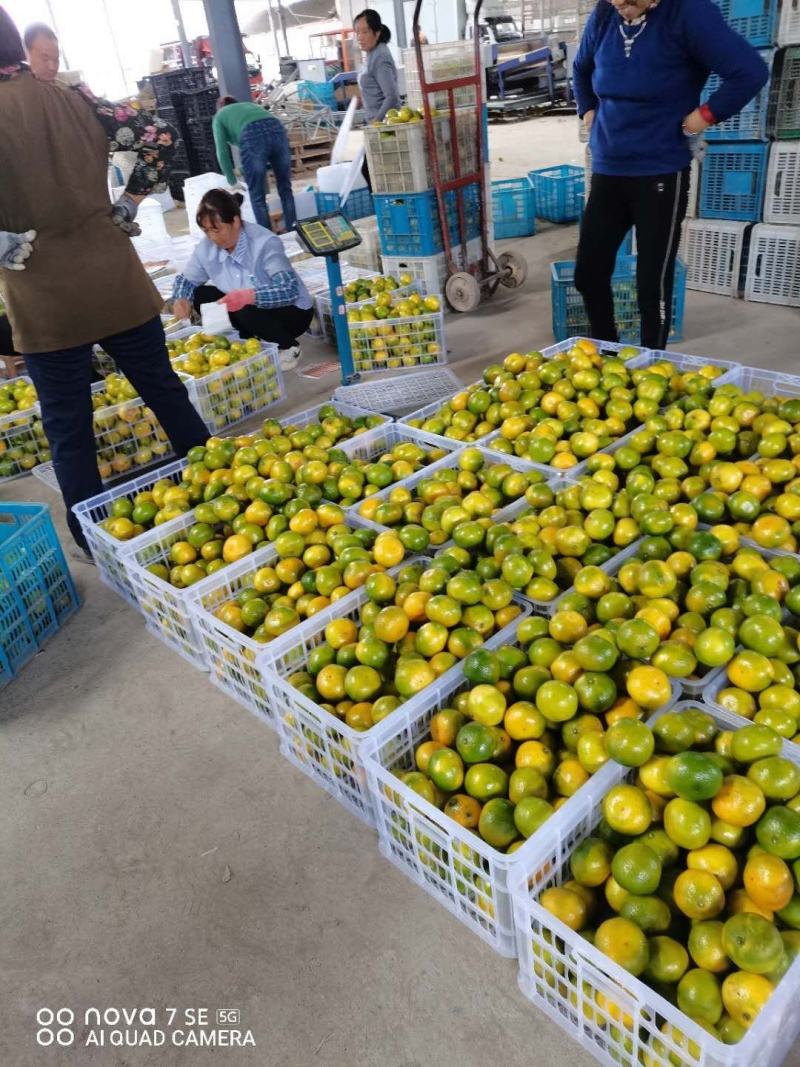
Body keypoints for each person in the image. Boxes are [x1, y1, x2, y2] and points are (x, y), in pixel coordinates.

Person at [0, 7, 209, 558]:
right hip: (115, 279)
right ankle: (217, 486)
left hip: (46, 301)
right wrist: (131, 199)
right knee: (165, 390)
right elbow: (158, 134)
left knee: (70, 429)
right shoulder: (77, 97)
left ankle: (94, 542)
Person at [572, 0, 769, 349]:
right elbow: (581, 68)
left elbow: (749, 71)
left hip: (659, 172)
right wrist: (588, 111)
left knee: (652, 286)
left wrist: (704, 116)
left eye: (629, 0)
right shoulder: (605, 13)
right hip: (609, 167)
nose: (620, 5)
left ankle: (653, 365)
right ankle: (607, 353)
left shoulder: (689, 13)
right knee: (588, 274)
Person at [24, 21, 180, 235]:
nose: (52, 66)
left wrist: (129, 202)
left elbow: (163, 135)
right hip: (39, 228)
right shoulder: (13, 103)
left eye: (56, 59)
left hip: (92, 215)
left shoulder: (75, 97)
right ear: (24, 53)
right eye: (44, 58)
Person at [171, 189, 313, 371]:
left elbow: (289, 289)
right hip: (251, 310)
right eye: (206, 231)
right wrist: (181, 298)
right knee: (202, 294)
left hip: (292, 314)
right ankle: (246, 341)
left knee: (244, 307)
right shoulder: (206, 248)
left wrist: (249, 296)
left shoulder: (265, 243)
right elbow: (186, 280)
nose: (212, 237)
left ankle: (288, 345)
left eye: (217, 229)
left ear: (236, 221)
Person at [212, 96, 296, 233]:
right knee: (285, 188)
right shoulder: (251, 107)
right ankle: (293, 229)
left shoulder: (219, 117)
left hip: (251, 133)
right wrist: (242, 169)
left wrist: (231, 180)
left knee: (257, 195)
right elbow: (264, 155)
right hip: (277, 129)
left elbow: (222, 152)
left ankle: (267, 236)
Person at [354, 9, 401, 192]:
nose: (360, 37)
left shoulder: (380, 57)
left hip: (385, 127)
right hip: (377, 126)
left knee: (373, 173)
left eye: (364, 31)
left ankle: (387, 214)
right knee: (372, 173)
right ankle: (386, 213)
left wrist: (376, 121)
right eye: (357, 32)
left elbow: (392, 96)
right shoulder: (373, 54)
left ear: (377, 32)